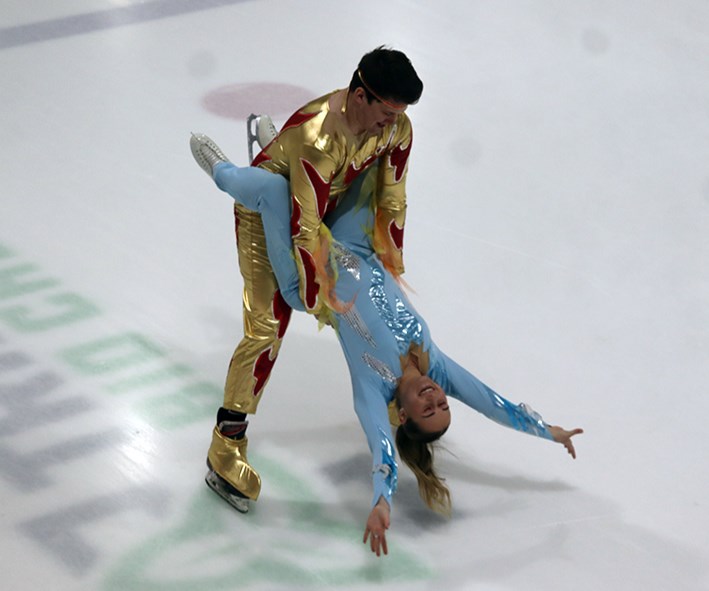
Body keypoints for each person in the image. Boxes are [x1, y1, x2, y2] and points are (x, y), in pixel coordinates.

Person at [190, 134, 584, 557]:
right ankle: (281, 146)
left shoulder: (373, 392)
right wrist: (547, 430)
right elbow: (492, 404)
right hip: (356, 248)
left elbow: (383, 454)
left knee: (271, 190)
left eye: (426, 410)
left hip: (307, 281)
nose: (435, 398)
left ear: (405, 414)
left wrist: (382, 501)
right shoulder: (438, 369)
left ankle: (220, 169)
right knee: (369, 167)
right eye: (442, 405)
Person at [198, 47, 424, 514]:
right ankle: (226, 443)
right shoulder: (320, 136)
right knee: (269, 326)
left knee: (368, 297)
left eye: (399, 114)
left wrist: (389, 271)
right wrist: (316, 298)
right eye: (386, 112)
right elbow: (300, 230)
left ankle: (272, 147)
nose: (393, 123)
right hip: (275, 219)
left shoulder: (396, 127)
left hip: (328, 200)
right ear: (360, 96)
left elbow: (393, 200)